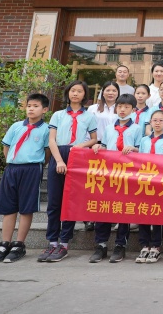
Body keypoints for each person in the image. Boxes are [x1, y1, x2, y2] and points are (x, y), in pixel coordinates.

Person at [0, 94, 50, 264]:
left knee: (26, 207)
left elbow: (47, 152)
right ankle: (4, 244)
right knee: (9, 207)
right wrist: (12, 163)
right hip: (12, 168)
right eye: (29, 106)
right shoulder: (16, 126)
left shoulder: (46, 129)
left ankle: (19, 244)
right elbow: (6, 147)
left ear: (44, 109)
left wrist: (36, 164)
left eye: (35, 106)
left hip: (32, 169)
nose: (31, 109)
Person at [40, 81, 98, 263]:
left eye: (80, 91)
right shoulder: (58, 114)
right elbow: (51, 140)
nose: (75, 94)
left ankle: (64, 243)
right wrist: (58, 160)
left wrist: (81, 145)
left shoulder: (89, 116)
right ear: (68, 93)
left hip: (77, 156)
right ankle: (52, 241)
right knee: (54, 202)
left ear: (84, 95)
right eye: (73, 90)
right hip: (59, 154)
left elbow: (94, 139)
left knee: (70, 201)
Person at [89, 94, 140, 264]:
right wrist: (99, 146)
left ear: (133, 110)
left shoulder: (137, 129)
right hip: (108, 172)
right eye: (120, 106)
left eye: (126, 107)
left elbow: (142, 150)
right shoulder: (110, 127)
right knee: (104, 207)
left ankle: (120, 245)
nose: (122, 110)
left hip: (127, 173)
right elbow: (105, 145)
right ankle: (101, 244)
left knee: (124, 209)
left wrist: (134, 149)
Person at [128, 109, 163, 263]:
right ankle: (144, 245)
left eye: (161, 120)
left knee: (157, 213)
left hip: (161, 182)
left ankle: (156, 246)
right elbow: (141, 159)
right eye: (154, 120)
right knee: (143, 211)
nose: (157, 123)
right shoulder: (144, 140)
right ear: (150, 122)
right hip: (145, 181)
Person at [87, 81, 119, 145]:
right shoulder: (93, 109)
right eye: (108, 90)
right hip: (96, 144)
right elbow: (87, 128)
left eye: (114, 91)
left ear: (118, 93)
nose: (111, 93)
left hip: (115, 145)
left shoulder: (122, 110)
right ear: (103, 93)